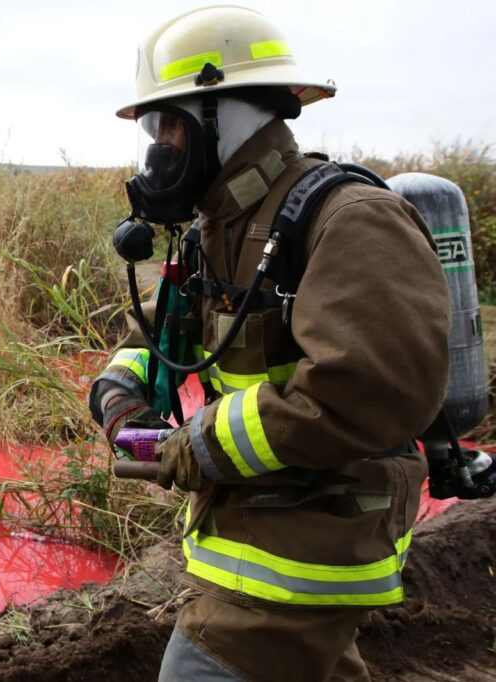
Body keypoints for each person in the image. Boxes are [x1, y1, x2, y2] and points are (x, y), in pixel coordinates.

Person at [88, 6, 451, 680]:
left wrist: (195, 444)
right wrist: (120, 388)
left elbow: (366, 388)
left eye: (168, 124)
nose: (158, 146)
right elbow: (159, 336)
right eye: (153, 128)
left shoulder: (351, 221)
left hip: (311, 544)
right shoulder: (217, 230)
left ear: (220, 116)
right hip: (249, 529)